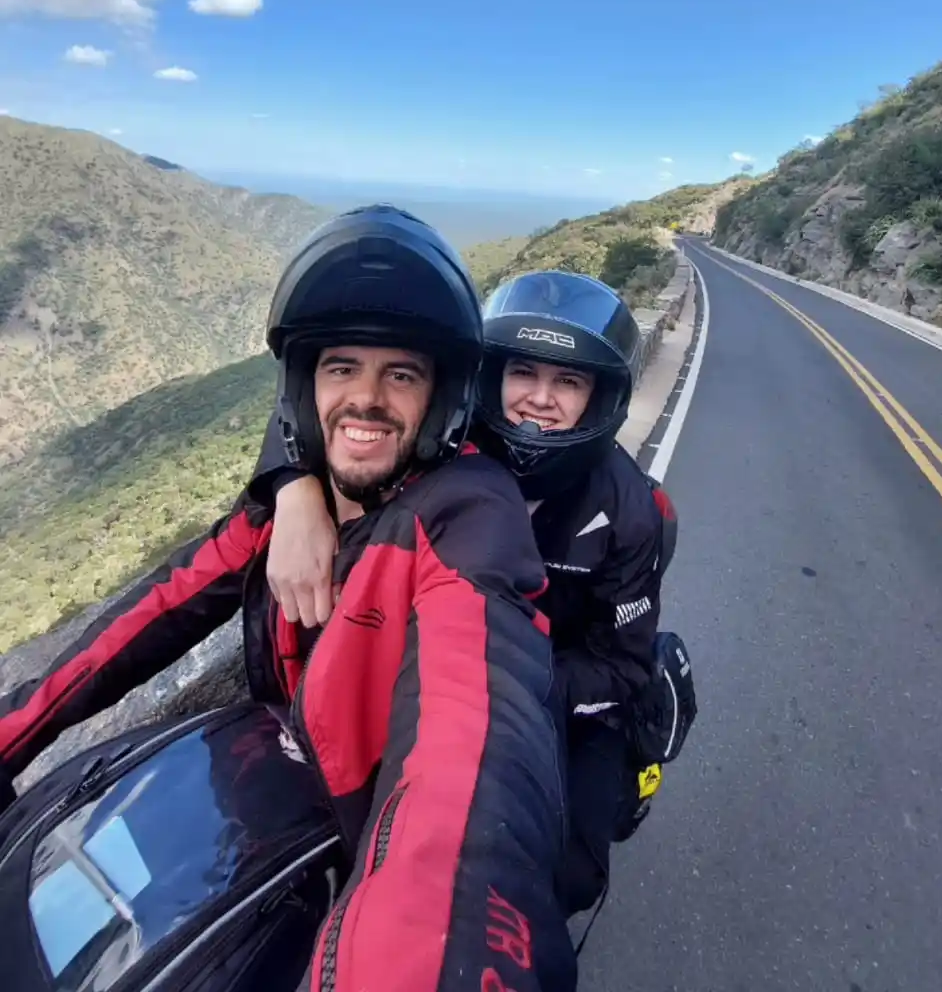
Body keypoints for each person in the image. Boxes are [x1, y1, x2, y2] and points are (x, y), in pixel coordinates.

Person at [0, 206, 578, 992]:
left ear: (439, 398)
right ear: (306, 391)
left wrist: (435, 953)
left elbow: (473, 732)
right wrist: (14, 730)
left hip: (365, 849)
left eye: (400, 374)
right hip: (272, 814)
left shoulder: (467, 516)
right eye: (341, 367)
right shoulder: (283, 510)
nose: (366, 399)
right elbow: (147, 617)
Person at [250, 266, 698, 919]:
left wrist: (507, 691)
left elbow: (620, 665)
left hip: (558, 696)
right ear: (492, 378)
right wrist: (292, 487)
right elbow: (333, 411)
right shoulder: (446, 442)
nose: (539, 399)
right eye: (524, 374)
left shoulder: (635, 512)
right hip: (431, 667)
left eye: (567, 382)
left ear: (599, 397)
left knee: (570, 872)